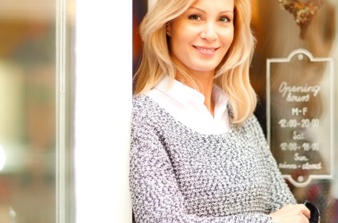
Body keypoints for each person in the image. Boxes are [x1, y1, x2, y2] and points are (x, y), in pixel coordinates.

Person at [130, 0, 315, 222]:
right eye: (195, 17)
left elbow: (289, 210)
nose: (210, 34)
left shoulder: (239, 114)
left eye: (223, 19)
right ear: (169, 24)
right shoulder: (145, 115)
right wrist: (269, 221)